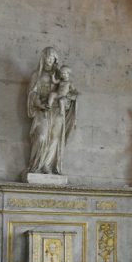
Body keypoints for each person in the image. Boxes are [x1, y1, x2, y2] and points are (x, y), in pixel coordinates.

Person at [27, 47, 76, 175]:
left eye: (52, 57)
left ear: (55, 59)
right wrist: (39, 103)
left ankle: (47, 166)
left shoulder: (61, 76)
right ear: (43, 58)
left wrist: (68, 101)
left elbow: (72, 93)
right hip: (43, 110)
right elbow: (32, 94)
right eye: (47, 57)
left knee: (55, 138)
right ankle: (36, 165)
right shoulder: (36, 75)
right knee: (42, 137)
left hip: (57, 110)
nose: (49, 60)